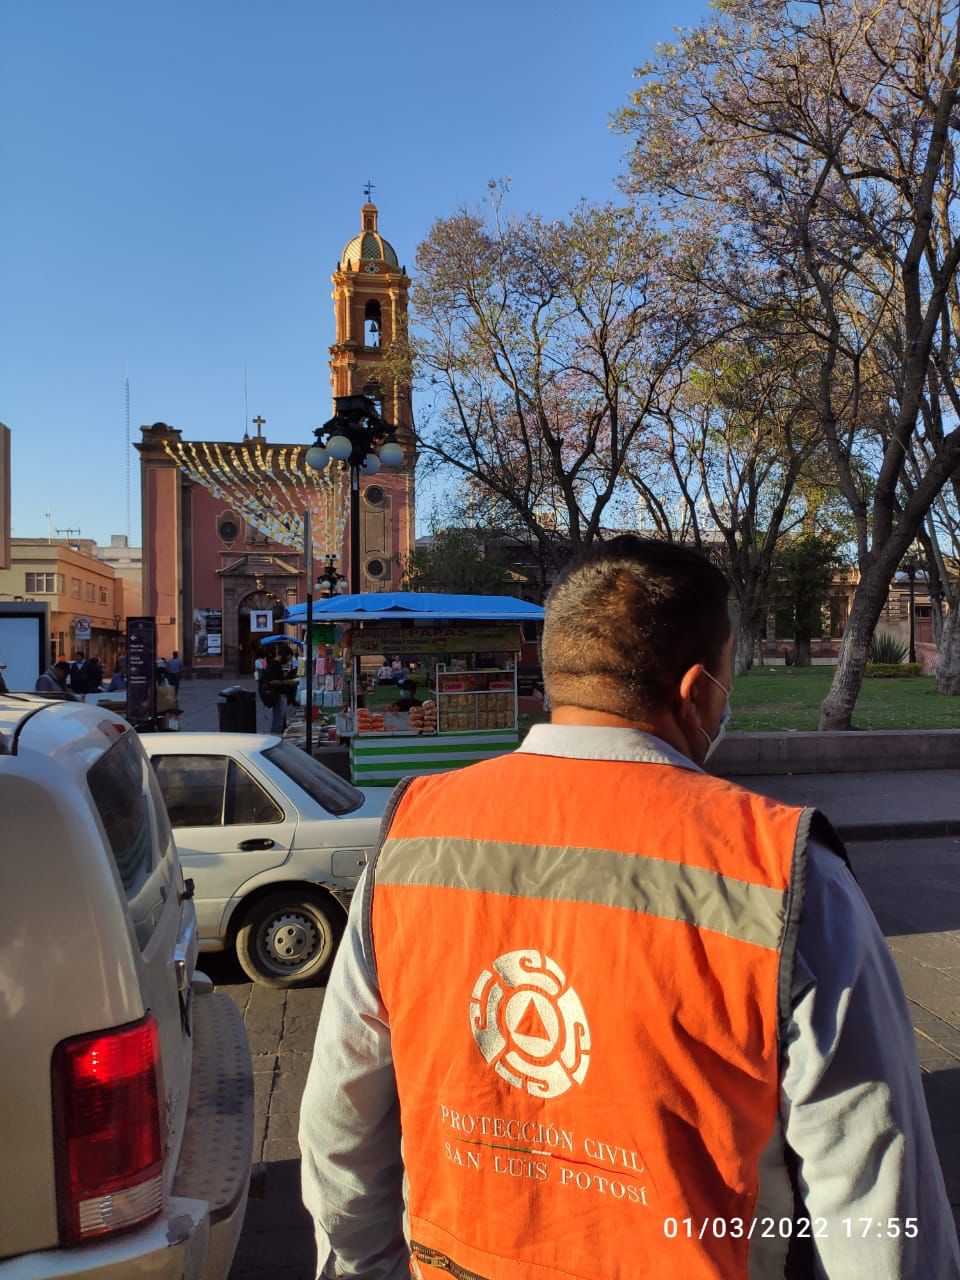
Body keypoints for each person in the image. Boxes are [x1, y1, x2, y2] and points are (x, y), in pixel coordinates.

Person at [299, 536, 960, 1280]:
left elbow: (340, 1120)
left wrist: (367, 1267)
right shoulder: (785, 872)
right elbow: (874, 1200)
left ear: (556, 672)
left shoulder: (411, 838)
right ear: (698, 691)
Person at [261, 644, 298, 736]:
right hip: (278, 695)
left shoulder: (276, 664)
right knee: (278, 721)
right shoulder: (274, 665)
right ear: (284, 655)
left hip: (280, 695)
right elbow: (272, 681)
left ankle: (279, 737)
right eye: (288, 658)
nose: (288, 661)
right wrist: (287, 682)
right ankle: (275, 738)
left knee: (281, 720)